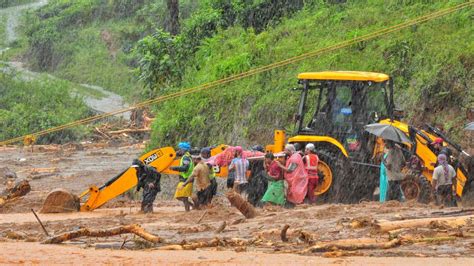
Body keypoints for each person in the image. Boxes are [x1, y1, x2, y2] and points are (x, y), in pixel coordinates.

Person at [171, 142, 194, 211]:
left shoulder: (186, 158)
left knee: (183, 197)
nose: (179, 151)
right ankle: (192, 206)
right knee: (180, 196)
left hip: (186, 179)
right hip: (185, 179)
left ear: (184, 150)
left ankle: (188, 210)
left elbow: (185, 168)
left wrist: (174, 168)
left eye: (180, 149)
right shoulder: (187, 156)